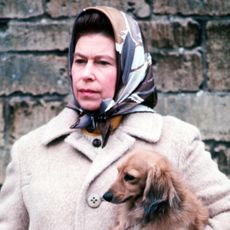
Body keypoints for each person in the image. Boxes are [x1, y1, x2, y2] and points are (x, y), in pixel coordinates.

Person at [0, 6, 229, 230]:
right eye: (80, 61)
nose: (87, 74)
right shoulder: (28, 152)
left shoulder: (178, 141)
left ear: (130, 69)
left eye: (102, 62)